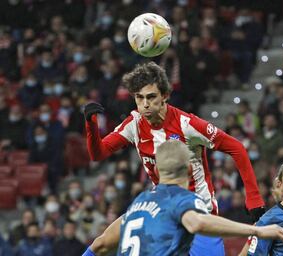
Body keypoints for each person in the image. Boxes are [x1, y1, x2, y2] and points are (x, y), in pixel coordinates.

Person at [84, 61, 265, 255]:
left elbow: (237, 148)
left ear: (165, 96)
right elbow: (98, 153)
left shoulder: (187, 124)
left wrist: (253, 197)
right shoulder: (134, 123)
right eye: (139, 98)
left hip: (199, 210)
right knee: (101, 244)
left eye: (151, 97)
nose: (145, 104)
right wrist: (91, 126)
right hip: (160, 209)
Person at [82, 140, 283, 256]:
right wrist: (257, 230)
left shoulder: (138, 203)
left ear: (156, 169)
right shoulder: (184, 200)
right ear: (190, 169)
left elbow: (99, 245)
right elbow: (198, 223)